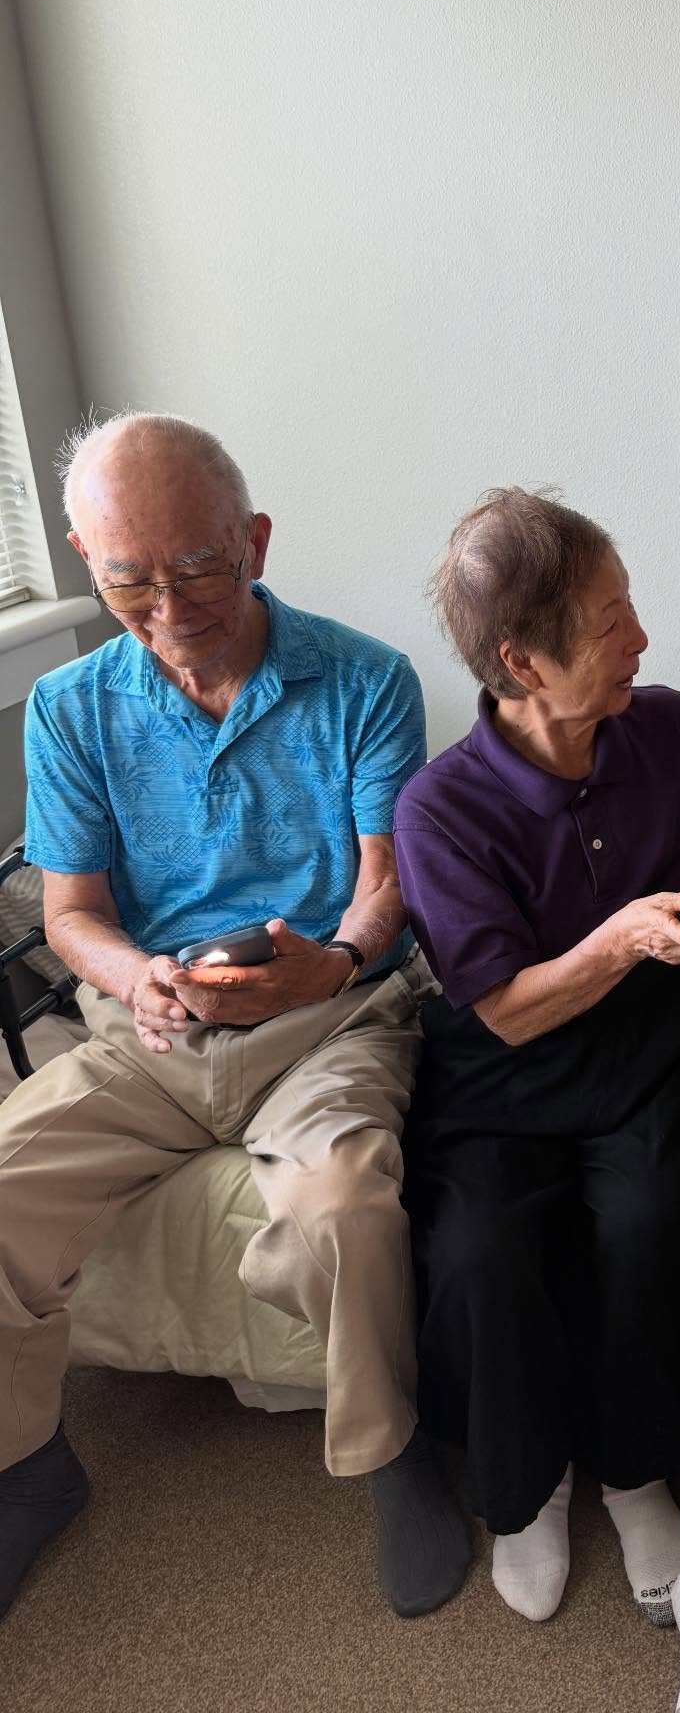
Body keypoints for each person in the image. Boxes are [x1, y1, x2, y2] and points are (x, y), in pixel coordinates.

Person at [0, 414, 468, 1622]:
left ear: (254, 542)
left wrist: (339, 962)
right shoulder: (69, 706)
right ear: (81, 560)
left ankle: (391, 1453)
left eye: (199, 568)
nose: (167, 605)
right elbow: (71, 913)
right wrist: (132, 972)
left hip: (327, 1020)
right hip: (151, 1032)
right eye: (127, 580)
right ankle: (24, 1469)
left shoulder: (363, 677)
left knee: (345, 1203)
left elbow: (390, 881)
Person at [391, 488, 680, 1628]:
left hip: (648, 1059)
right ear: (523, 662)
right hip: (503, 1080)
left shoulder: (670, 730)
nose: (640, 636)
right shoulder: (440, 808)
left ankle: (635, 1471)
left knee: (648, 1219)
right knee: (482, 1251)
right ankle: (525, 1488)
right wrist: (624, 937)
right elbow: (500, 1010)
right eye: (609, 621)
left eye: (628, 603)